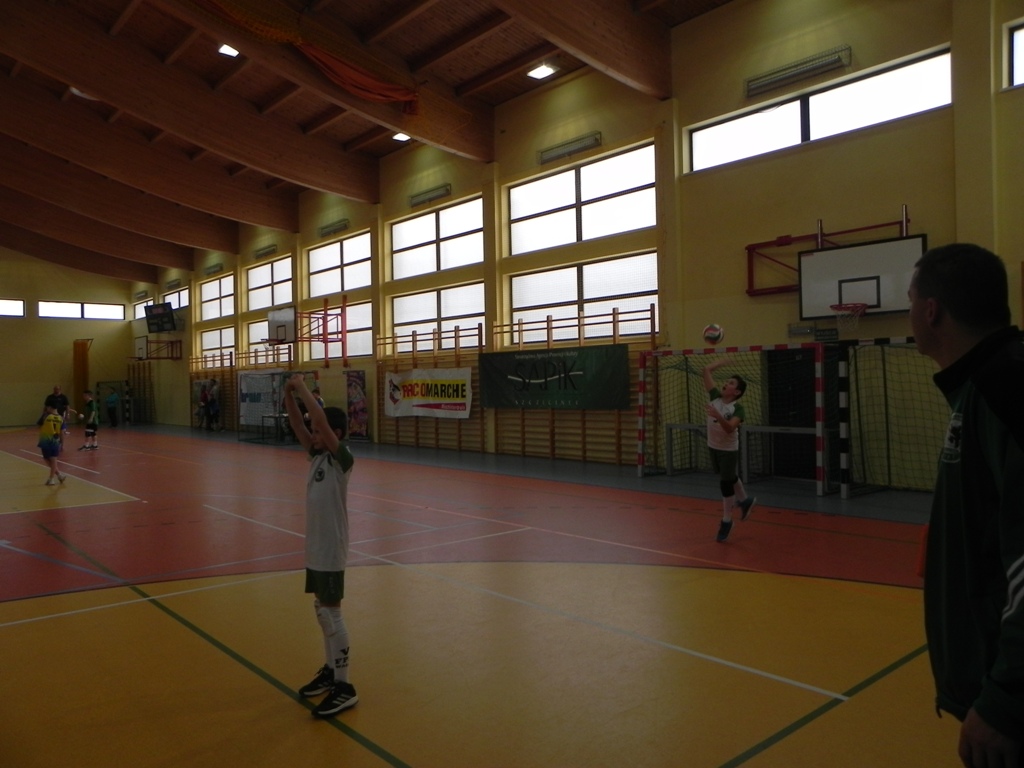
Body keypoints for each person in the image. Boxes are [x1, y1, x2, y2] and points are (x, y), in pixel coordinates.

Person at [910, 243, 1024, 767]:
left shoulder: (1006, 388)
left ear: (931, 310)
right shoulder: (981, 386)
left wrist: (1006, 699)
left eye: (911, 300)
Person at [283, 373, 358, 718]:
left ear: (335, 434)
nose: (312, 436)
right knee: (321, 611)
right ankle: (330, 671)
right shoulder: (316, 457)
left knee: (332, 613)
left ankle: (344, 686)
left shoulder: (342, 460)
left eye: (319, 432)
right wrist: (288, 394)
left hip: (331, 548)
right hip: (315, 547)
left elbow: (319, 422)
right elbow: (298, 424)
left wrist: (302, 387)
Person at [702, 357, 756, 542]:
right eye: (727, 381)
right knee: (728, 475)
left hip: (728, 449)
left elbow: (730, 428)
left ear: (737, 392)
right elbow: (706, 370)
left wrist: (718, 415)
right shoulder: (715, 397)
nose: (726, 383)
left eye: (731, 383)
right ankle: (746, 500)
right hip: (713, 446)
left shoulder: (737, 408)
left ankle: (727, 520)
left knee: (725, 482)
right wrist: (721, 363)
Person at [37, 404, 66, 486]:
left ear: (49, 407)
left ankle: (51, 478)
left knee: (48, 459)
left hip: (45, 440)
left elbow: (39, 426)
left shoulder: (45, 416)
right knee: (52, 460)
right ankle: (59, 475)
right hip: (55, 441)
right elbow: (62, 432)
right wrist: (62, 443)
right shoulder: (61, 418)